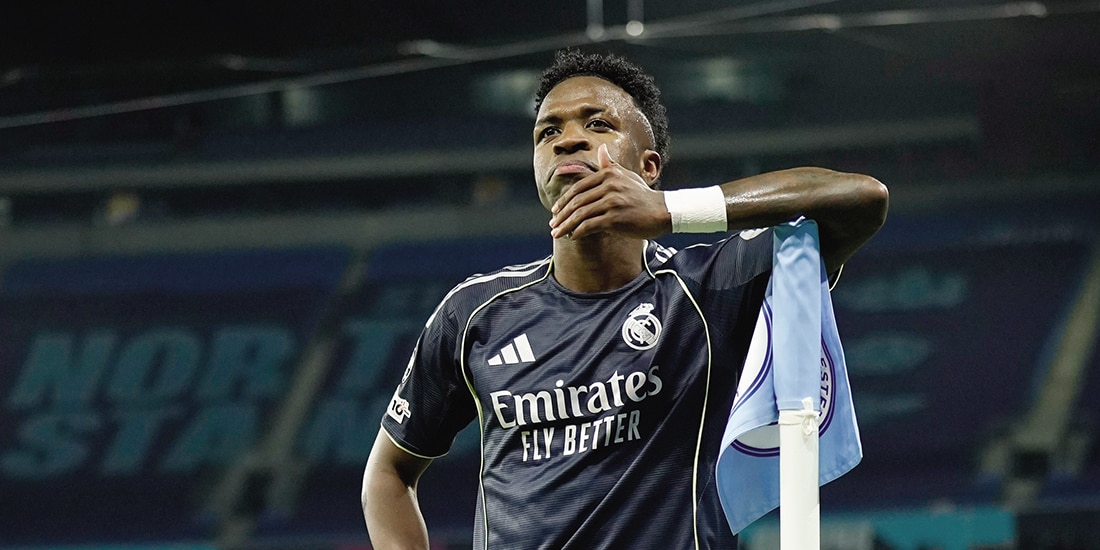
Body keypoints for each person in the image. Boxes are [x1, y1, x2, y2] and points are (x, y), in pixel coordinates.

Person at [361, 48, 889, 549]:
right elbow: (388, 473)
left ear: (649, 167)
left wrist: (670, 211)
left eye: (598, 124)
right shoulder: (473, 314)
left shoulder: (710, 286)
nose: (568, 140)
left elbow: (861, 199)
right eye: (549, 131)